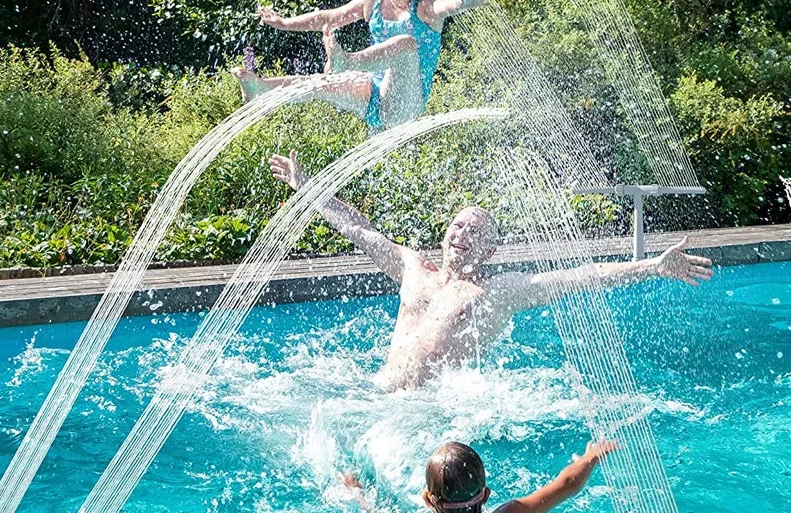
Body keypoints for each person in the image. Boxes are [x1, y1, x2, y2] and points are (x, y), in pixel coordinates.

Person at [269, 150, 715, 391]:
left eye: (475, 230)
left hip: (426, 416)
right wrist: (307, 188)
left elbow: (582, 276)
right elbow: (359, 229)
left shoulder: (495, 292)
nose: (462, 233)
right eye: (458, 224)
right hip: (376, 395)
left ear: (490, 248)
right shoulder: (412, 267)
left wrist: (652, 266)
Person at [231, 0, 491, 130]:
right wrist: (285, 23)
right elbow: (326, 17)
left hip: (405, 104)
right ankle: (263, 90)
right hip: (371, 99)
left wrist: (462, 2)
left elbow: (444, 5)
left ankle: (347, 61)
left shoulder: (424, 7)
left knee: (405, 45)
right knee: (320, 83)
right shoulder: (371, 4)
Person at [344, 438, 617, 513]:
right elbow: (567, 484)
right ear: (485, 495)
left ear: (428, 500)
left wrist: (355, 491)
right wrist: (592, 456)